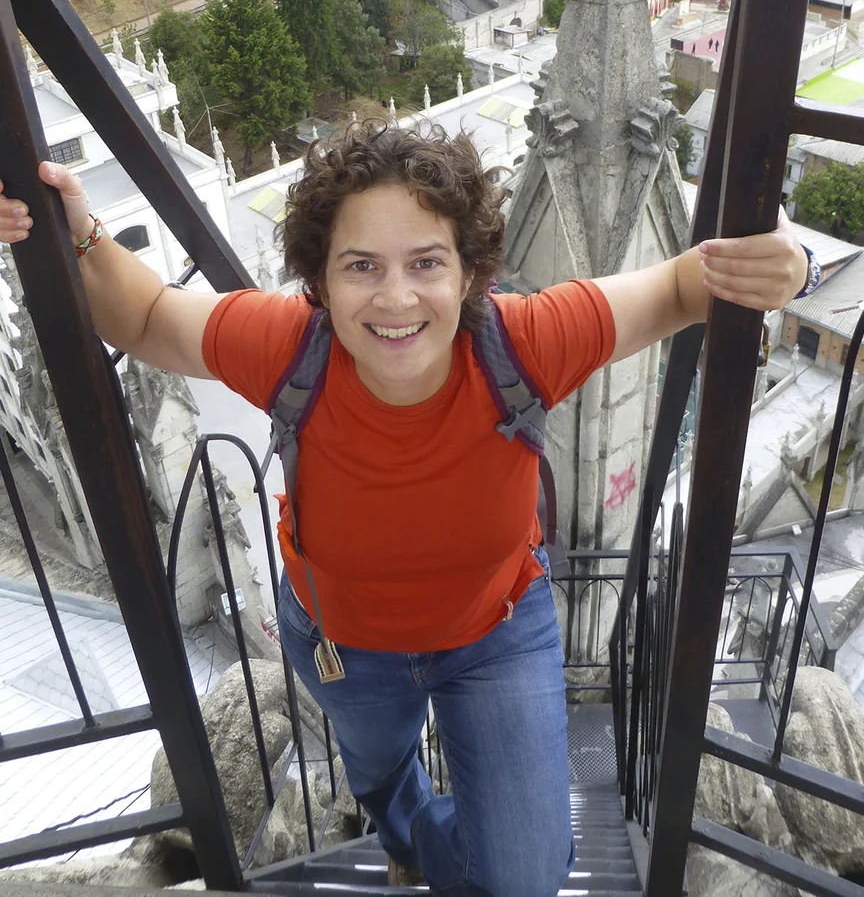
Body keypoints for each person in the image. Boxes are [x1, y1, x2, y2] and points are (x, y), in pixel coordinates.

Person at [0, 122, 808, 897]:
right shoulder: (291, 346)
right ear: (319, 281)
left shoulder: (522, 342)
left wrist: (787, 261)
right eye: (361, 266)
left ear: (468, 273)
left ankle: (432, 849)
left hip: (495, 629)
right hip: (345, 643)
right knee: (384, 776)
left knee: (528, 871)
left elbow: (675, 288)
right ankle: (412, 835)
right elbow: (145, 317)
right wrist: (78, 232)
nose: (395, 298)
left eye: (426, 261)